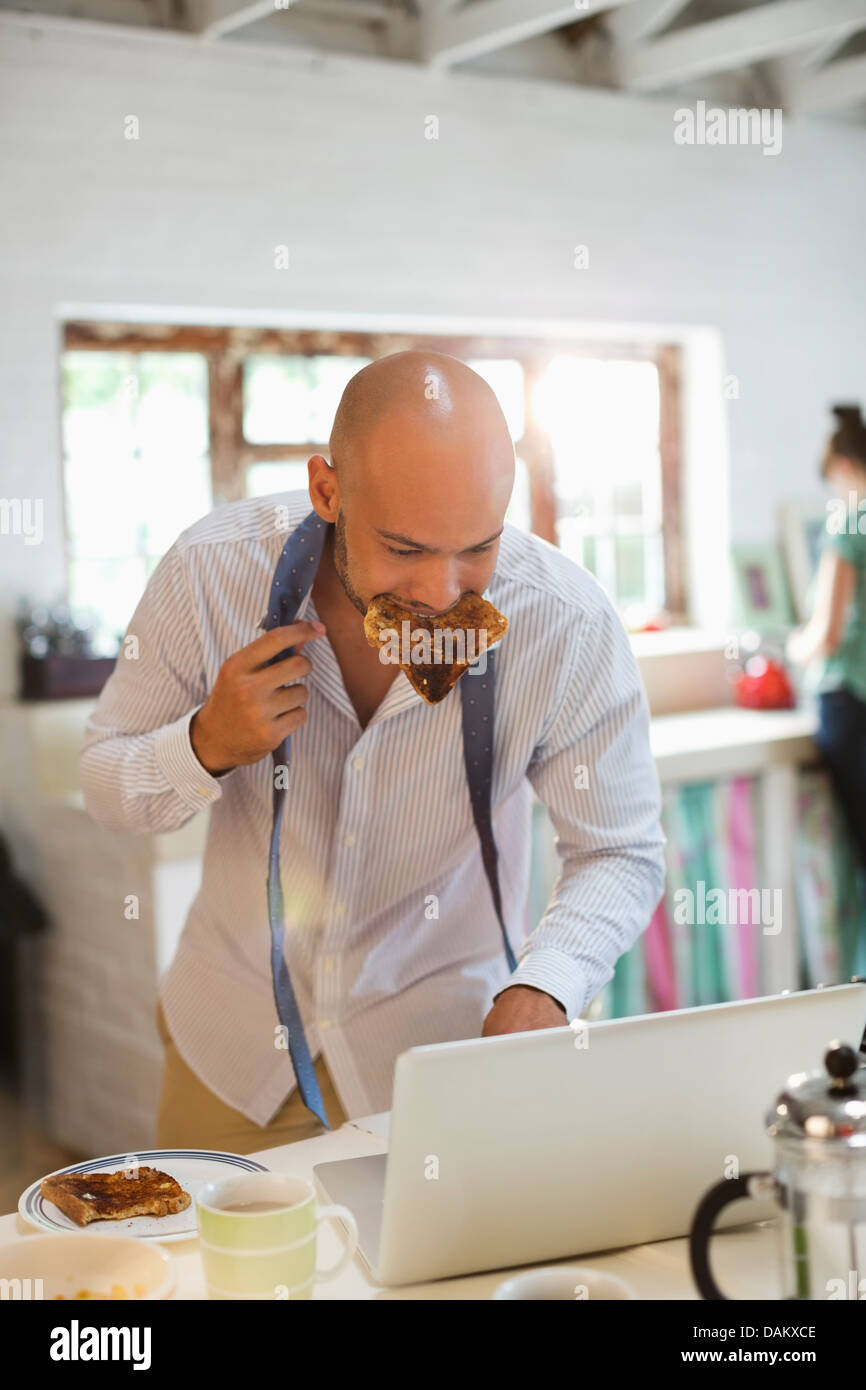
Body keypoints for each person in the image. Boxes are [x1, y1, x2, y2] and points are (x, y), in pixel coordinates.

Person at [80, 350, 666, 1155]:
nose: (441, 591)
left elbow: (620, 849)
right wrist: (205, 744)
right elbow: (106, 787)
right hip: (234, 1053)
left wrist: (548, 983)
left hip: (445, 1056)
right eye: (405, 548)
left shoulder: (565, 622)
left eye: (478, 549)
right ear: (328, 490)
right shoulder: (206, 573)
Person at [788, 404, 866, 876]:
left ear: (841, 467)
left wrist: (793, 647)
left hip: (849, 704)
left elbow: (828, 634)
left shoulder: (848, 521)